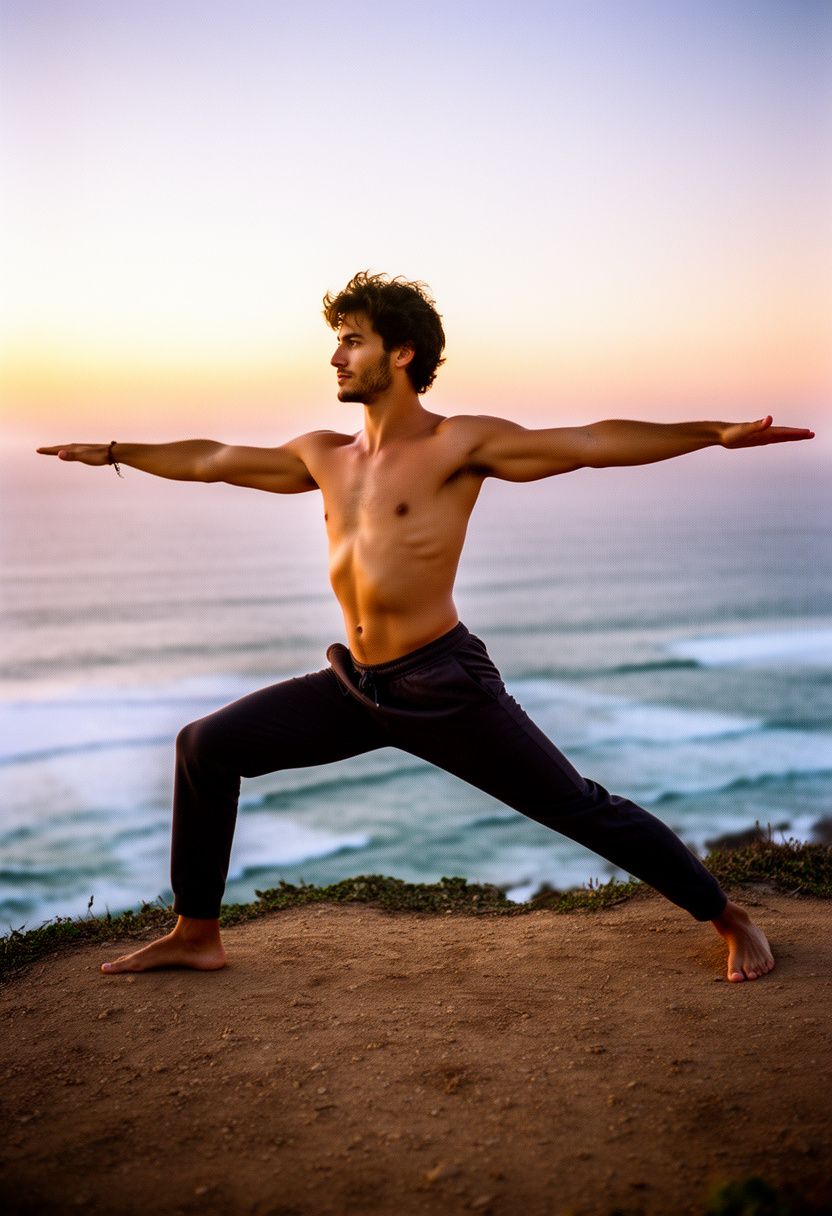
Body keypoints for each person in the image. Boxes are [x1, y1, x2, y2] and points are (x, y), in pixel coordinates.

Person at [38, 271, 814, 982]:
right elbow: (212, 458)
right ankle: (196, 931)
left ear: (401, 353)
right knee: (205, 746)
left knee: (578, 805)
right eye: (335, 341)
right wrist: (114, 451)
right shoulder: (323, 454)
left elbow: (587, 443)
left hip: (443, 683)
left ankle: (730, 916)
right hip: (355, 683)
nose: (335, 358)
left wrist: (713, 431)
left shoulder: (457, 444)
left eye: (352, 340)